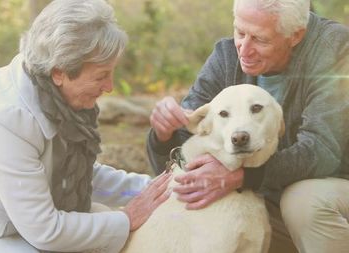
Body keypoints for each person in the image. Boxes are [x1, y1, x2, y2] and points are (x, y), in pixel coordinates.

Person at [0, 1, 172, 252]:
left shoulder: (56, 97)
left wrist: (155, 190)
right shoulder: (4, 117)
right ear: (60, 72)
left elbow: (80, 176)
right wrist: (127, 217)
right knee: (103, 231)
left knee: (101, 229)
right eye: (101, 76)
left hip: (8, 227)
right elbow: (45, 230)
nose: (109, 87)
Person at [147, 0, 349, 252]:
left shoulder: (336, 49)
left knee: (303, 202)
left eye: (260, 39)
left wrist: (242, 176)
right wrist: (164, 134)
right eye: (239, 32)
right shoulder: (226, 56)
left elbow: (322, 151)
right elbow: (187, 153)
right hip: (271, 193)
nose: (244, 49)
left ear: (295, 35)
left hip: (335, 187)